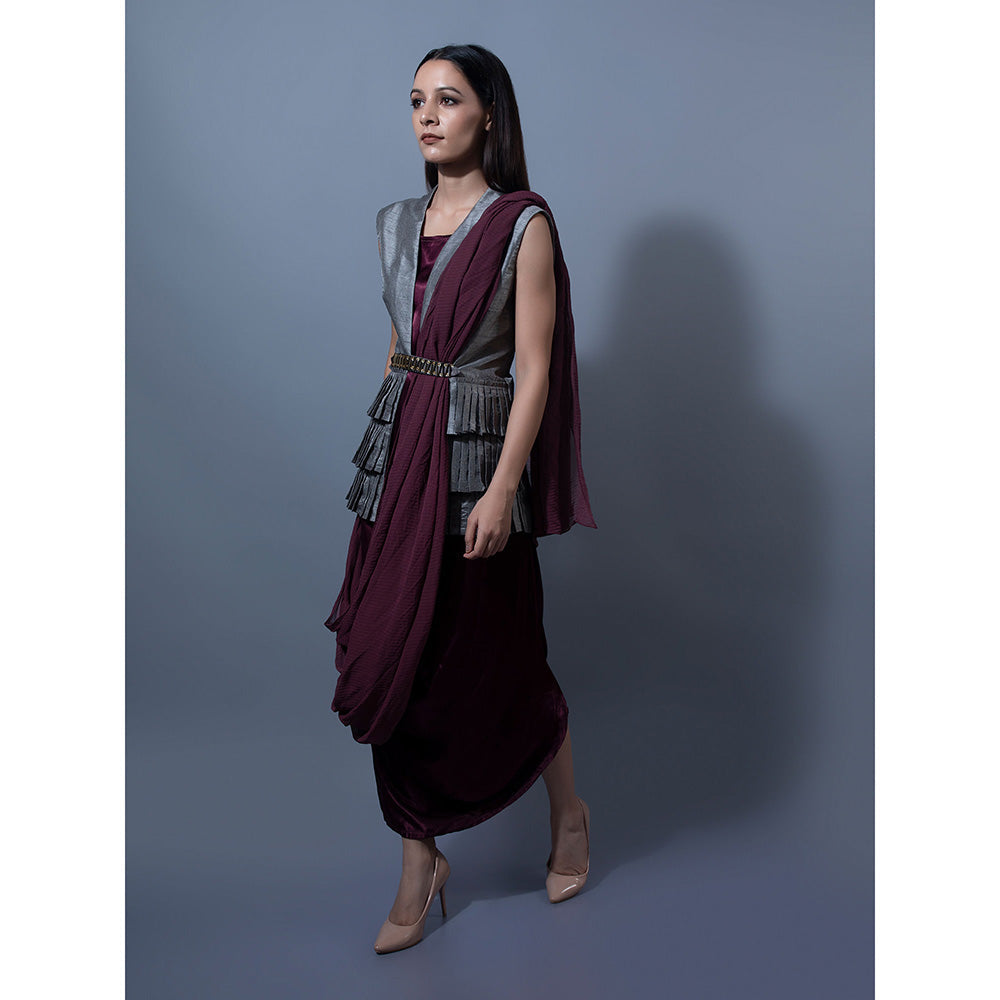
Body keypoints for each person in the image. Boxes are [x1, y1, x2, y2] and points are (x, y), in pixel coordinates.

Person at [323, 43, 598, 954]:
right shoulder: (395, 223)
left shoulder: (524, 224)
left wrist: (505, 486)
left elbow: (535, 369)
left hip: (479, 461)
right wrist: (386, 454)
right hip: (399, 459)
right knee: (393, 651)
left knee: (503, 659)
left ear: (489, 114)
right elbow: (400, 348)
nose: (427, 117)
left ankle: (567, 814)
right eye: (416, 101)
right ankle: (419, 860)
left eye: (447, 99)